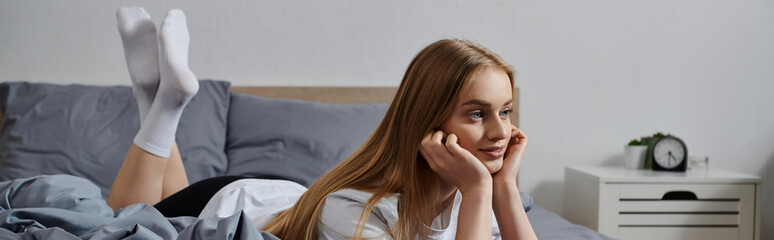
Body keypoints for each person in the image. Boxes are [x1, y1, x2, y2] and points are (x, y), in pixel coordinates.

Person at [107, 6, 537, 240]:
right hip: (233, 202)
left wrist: (502, 189)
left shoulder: (471, 202)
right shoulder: (357, 213)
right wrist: (481, 188)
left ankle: (157, 94)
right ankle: (162, 103)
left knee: (156, 201)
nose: (500, 132)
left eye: (505, 111)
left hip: (286, 195)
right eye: (477, 114)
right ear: (429, 122)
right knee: (122, 219)